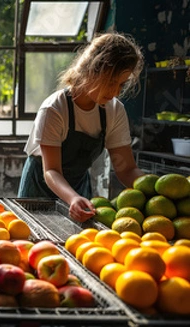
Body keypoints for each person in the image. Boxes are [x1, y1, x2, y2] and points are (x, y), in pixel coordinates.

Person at [18, 33, 145, 222]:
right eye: (111, 82)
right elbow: (51, 171)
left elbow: (126, 169)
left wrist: (155, 190)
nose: (116, 92)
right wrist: (72, 198)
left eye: (122, 84)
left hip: (78, 188)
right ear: (92, 70)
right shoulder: (55, 109)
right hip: (40, 189)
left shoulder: (114, 110)